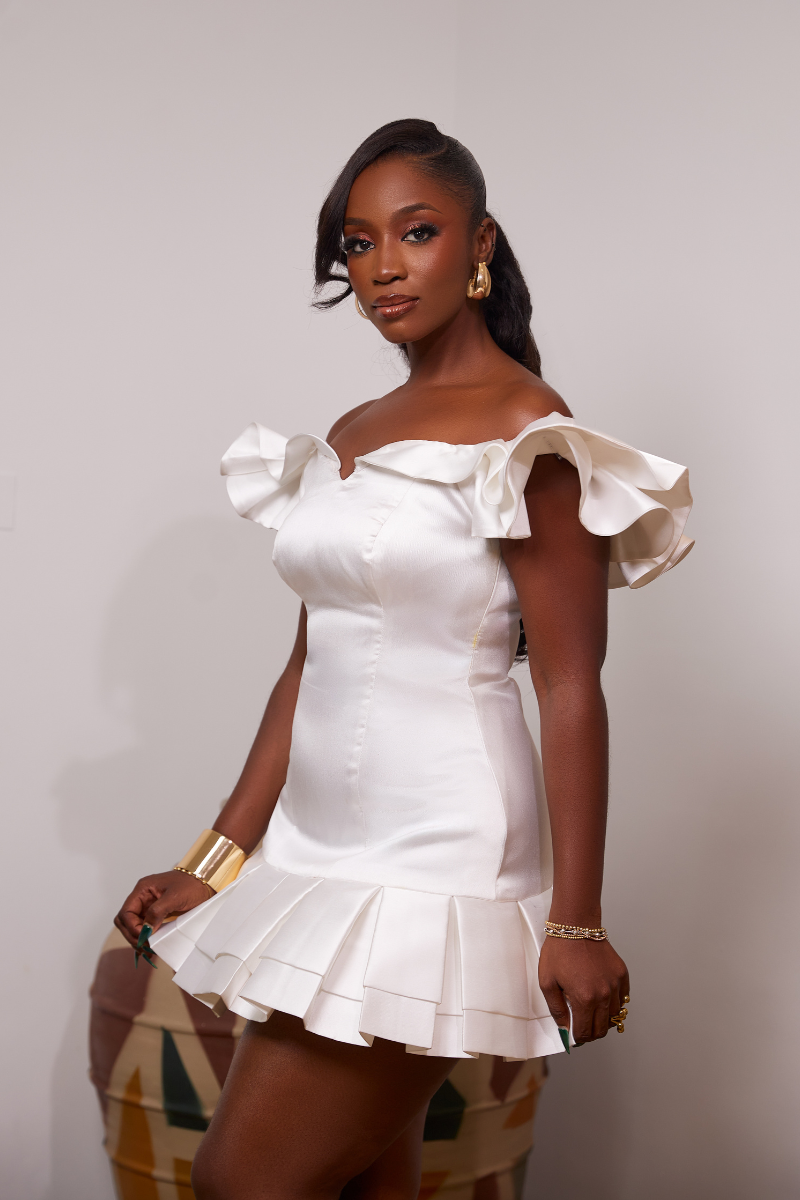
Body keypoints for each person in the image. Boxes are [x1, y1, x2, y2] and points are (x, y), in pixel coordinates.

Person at [115, 119, 692, 1199]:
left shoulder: (530, 430)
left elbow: (569, 683)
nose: (382, 266)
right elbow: (308, 667)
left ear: (480, 244)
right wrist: (217, 858)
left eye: (415, 232)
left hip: (439, 854)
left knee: (244, 1180)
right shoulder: (351, 430)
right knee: (363, 1181)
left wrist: (575, 919)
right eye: (357, 242)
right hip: (317, 849)